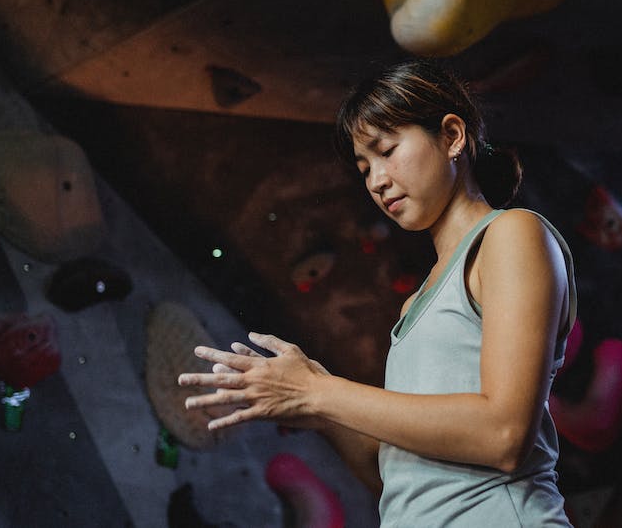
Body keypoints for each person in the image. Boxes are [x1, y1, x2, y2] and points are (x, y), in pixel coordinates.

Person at [178, 59, 577, 527]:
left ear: (452, 136)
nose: (376, 180)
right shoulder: (415, 305)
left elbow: (504, 435)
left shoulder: (510, 234)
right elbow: (395, 479)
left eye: (386, 150)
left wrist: (319, 392)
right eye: (364, 167)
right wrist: (317, 406)